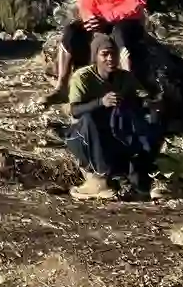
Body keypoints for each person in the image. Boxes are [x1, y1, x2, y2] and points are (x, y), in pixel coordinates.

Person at [44, 0, 148, 106]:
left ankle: (129, 87)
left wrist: (106, 16)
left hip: (125, 20)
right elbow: (85, 3)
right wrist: (89, 18)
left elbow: (136, 4)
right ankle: (62, 86)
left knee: (120, 35)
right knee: (71, 31)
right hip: (99, 19)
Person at [64, 33, 162, 200]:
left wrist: (151, 103)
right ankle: (100, 176)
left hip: (113, 131)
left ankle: (144, 170)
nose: (110, 58)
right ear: (95, 56)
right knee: (89, 119)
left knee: (146, 118)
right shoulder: (83, 77)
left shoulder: (125, 77)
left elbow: (143, 97)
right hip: (83, 137)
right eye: (105, 54)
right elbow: (74, 110)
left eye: (114, 54)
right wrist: (101, 102)